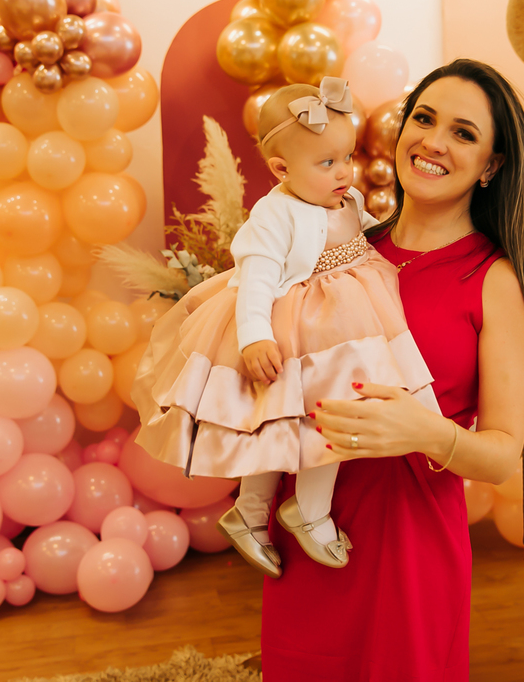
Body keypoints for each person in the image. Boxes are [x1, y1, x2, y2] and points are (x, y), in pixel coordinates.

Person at [260, 58, 524, 681]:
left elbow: (501, 455)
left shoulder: (495, 280)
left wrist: (424, 431)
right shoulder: (339, 252)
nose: (433, 141)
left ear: (491, 166)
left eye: (463, 133)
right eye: (423, 119)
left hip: (410, 546)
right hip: (309, 526)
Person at [132, 77, 439, 579]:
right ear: (281, 169)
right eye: (327, 162)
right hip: (298, 328)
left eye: (347, 156)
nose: (344, 171)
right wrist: (255, 336)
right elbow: (256, 278)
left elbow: (362, 234)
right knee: (289, 423)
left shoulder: (346, 197)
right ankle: (268, 512)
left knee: (334, 419)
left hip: (350, 321)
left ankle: (288, 510)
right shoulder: (274, 214)